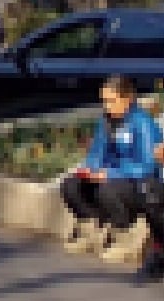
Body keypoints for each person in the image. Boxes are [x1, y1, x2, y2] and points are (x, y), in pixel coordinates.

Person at [59, 75, 160, 264]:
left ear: (128, 99)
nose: (107, 106)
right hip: (113, 177)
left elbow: (148, 166)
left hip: (141, 185)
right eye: (104, 101)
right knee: (70, 184)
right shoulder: (106, 121)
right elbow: (97, 153)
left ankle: (125, 238)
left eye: (111, 101)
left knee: (108, 188)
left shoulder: (142, 123)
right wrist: (90, 170)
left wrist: (110, 173)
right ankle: (89, 231)